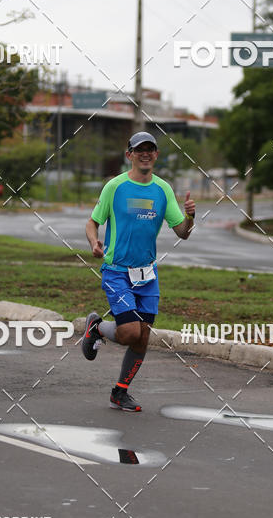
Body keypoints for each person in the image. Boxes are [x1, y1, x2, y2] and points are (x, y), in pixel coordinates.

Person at [83, 131, 195, 412]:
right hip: (117, 271)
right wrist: (94, 242)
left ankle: (120, 392)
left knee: (143, 336)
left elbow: (182, 233)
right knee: (131, 332)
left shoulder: (163, 190)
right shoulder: (115, 187)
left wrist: (190, 216)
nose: (145, 153)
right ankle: (97, 327)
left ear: (156, 155)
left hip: (147, 274)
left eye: (150, 149)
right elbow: (92, 222)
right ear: (129, 154)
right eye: (139, 149)